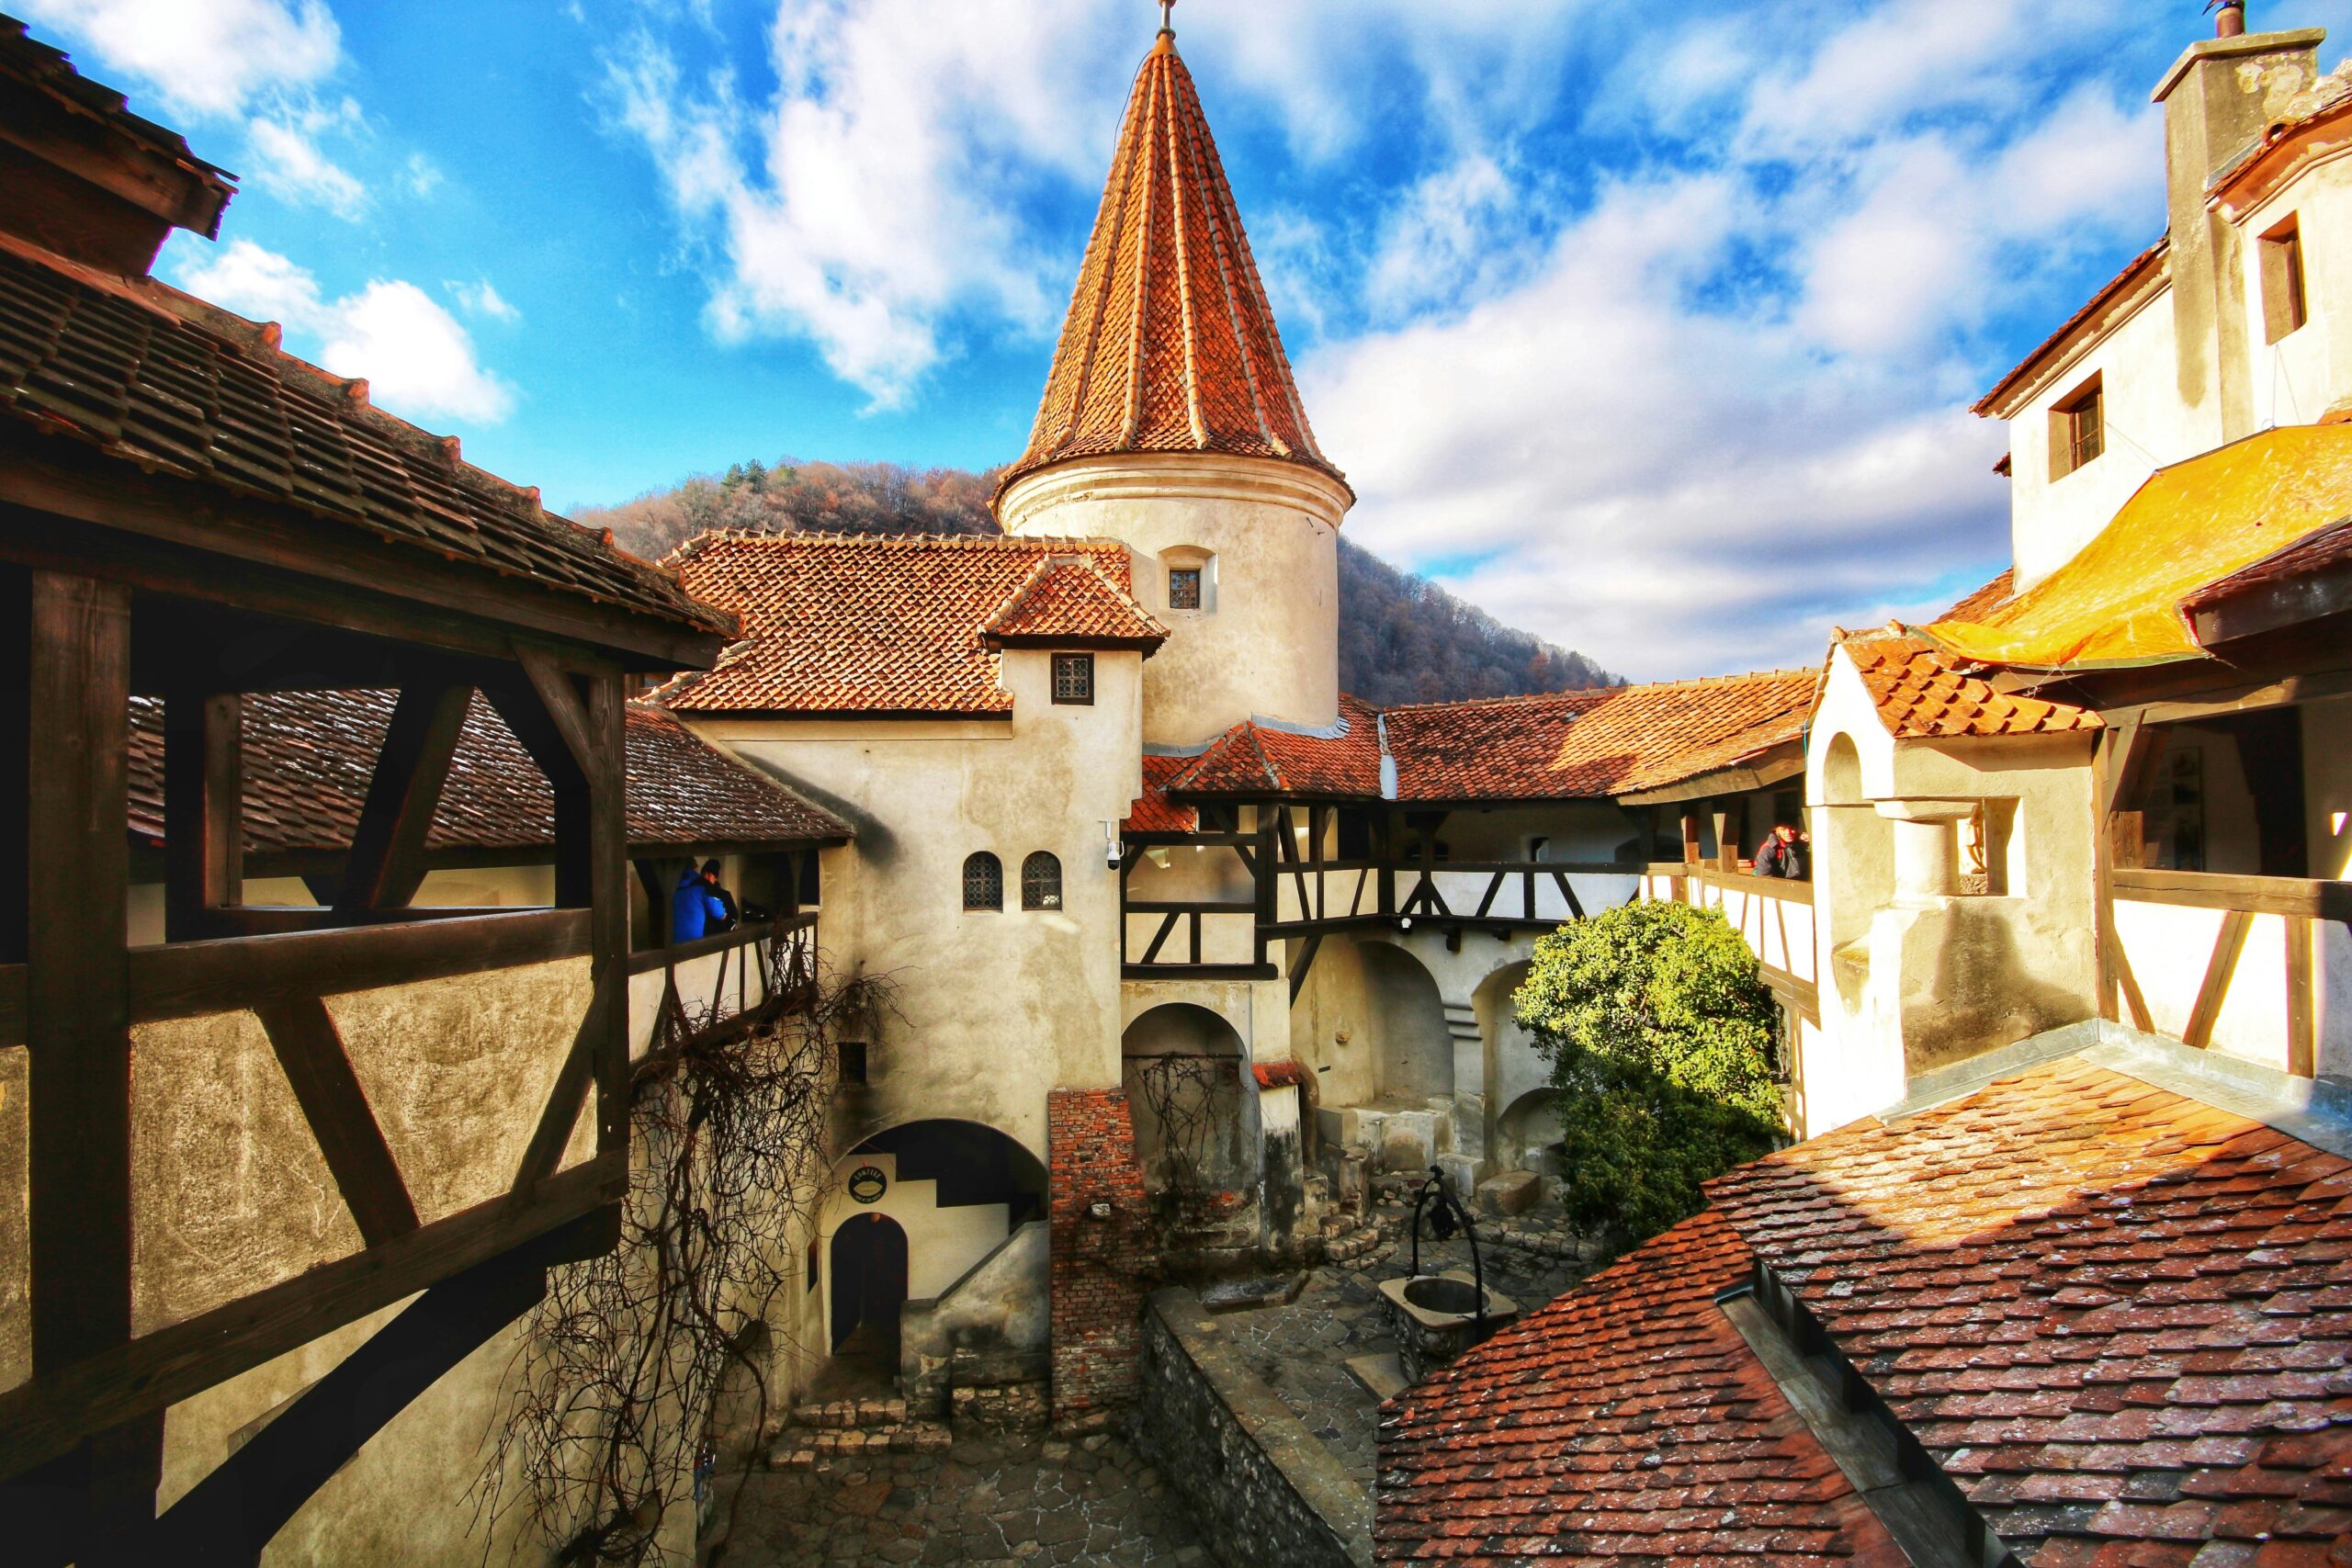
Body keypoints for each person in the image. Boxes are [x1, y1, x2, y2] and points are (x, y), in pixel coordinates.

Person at [673, 863, 729, 942]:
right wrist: (723, 914)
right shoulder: (702, 884)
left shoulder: (671, 883)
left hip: (673, 940)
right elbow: (719, 913)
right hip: (695, 941)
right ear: (696, 868)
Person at [701, 859, 741, 931]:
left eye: (710, 875)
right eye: (704, 874)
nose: (705, 877)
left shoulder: (725, 895)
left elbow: (734, 917)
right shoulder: (697, 893)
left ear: (715, 878)